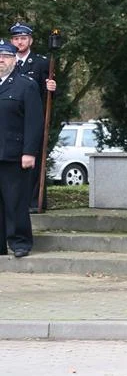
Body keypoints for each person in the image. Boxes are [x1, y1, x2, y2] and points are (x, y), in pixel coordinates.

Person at [0, 38, 43, 258]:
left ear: (14, 60)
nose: (1, 61)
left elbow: (34, 122)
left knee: (15, 200)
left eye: (6, 57)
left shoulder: (26, 85)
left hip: (14, 154)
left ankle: (20, 241)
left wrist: (29, 152)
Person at [9, 22, 57, 213]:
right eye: (16, 39)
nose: (19, 42)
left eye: (23, 38)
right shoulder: (7, 60)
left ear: (30, 40)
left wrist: (53, 88)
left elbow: (51, 93)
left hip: (32, 118)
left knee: (34, 161)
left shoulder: (41, 62)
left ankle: (35, 201)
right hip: (12, 119)